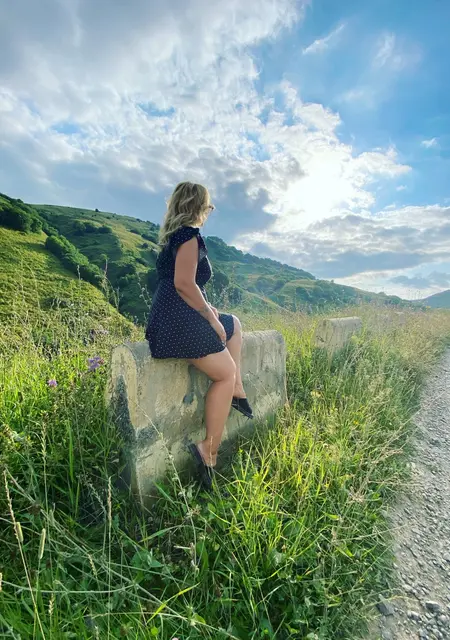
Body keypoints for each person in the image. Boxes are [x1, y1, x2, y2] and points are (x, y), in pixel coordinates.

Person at [145, 181, 253, 490]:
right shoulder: (189, 236)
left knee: (234, 324)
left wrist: (210, 309)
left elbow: (180, 284)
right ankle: (209, 450)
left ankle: (238, 391)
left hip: (170, 317)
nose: (208, 211)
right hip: (179, 322)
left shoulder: (173, 237)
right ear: (199, 207)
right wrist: (209, 317)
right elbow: (183, 283)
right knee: (224, 373)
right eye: (208, 206)